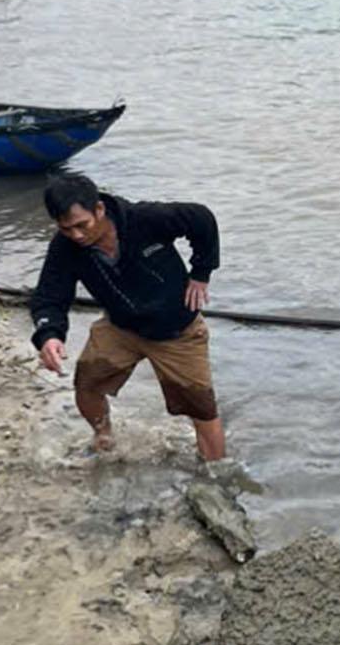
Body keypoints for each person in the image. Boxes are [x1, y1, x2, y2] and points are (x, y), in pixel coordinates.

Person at [29, 175, 226, 460]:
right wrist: (50, 336)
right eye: (67, 229)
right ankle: (104, 439)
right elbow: (49, 297)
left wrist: (201, 273)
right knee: (86, 384)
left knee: (202, 410)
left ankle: (216, 475)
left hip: (177, 332)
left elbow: (201, 219)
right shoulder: (65, 248)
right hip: (120, 327)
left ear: (99, 210)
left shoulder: (145, 219)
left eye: (82, 225)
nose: (77, 236)